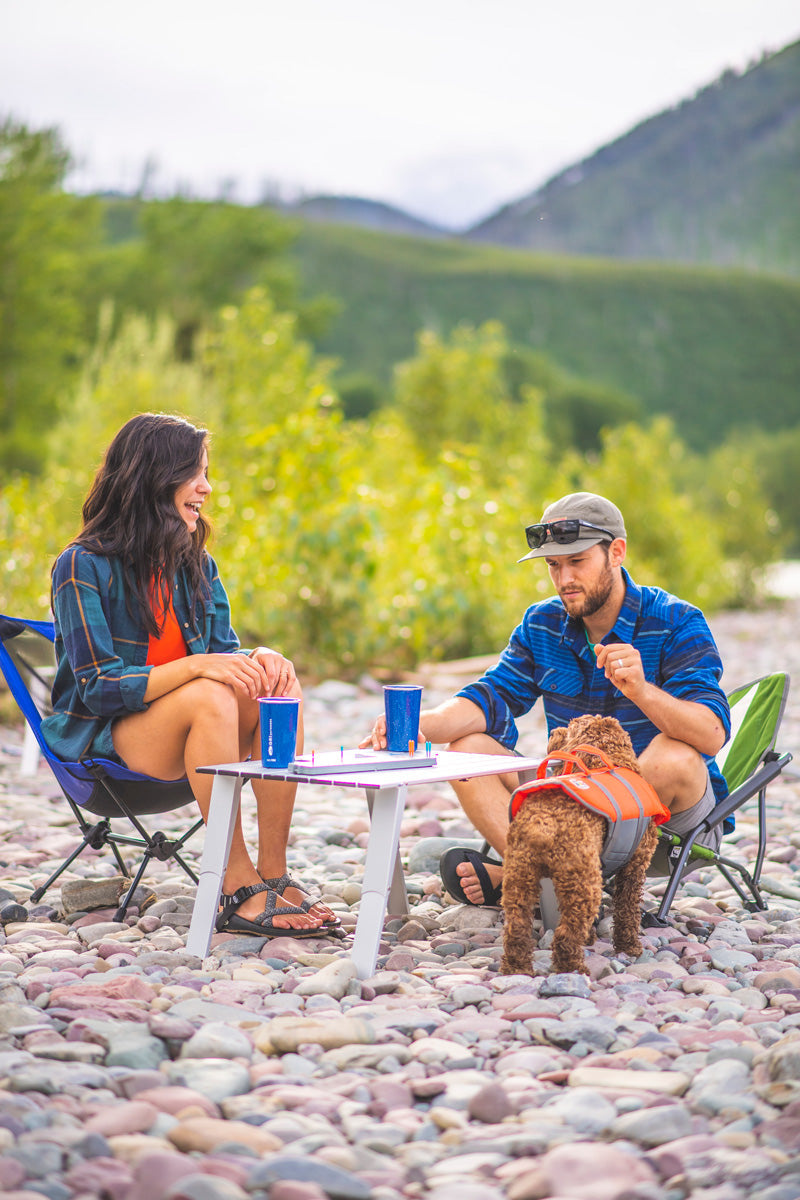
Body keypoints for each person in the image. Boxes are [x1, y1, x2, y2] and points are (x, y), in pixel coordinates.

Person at [42, 412, 339, 937]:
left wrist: (261, 656)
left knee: (275, 687)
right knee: (209, 695)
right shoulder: (80, 565)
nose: (206, 487)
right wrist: (199, 667)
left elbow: (223, 655)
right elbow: (100, 687)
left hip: (197, 737)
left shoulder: (195, 563)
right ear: (152, 478)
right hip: (108, 748)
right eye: (194, 473)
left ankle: (273, 871)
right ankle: (235, 880)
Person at [361, 491, 730, 907]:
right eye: (554, 565)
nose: (564, 579)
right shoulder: (542, 622)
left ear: (617, 552)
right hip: (569, 798)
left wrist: (642, 691)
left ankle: (531, 876)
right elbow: (489, 697)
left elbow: (711, 735)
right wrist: (416, 726)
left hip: (662, 823)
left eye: (577, 562)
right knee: (468, 749)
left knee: (674, 756)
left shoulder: (678, 620)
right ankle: (547, 880)